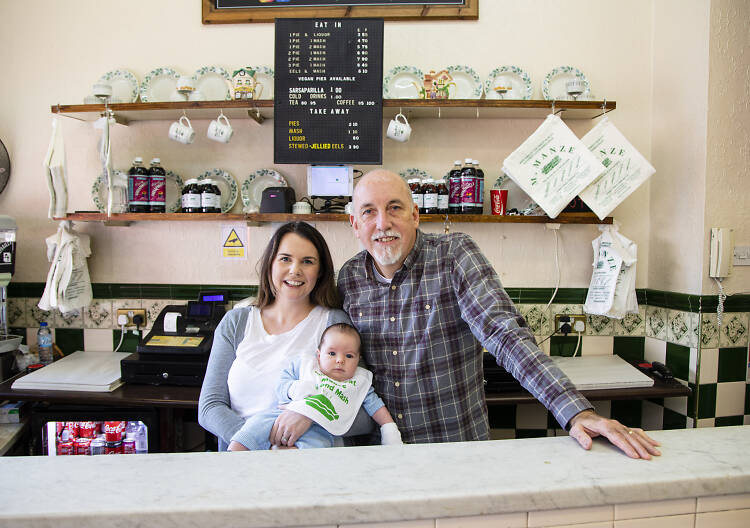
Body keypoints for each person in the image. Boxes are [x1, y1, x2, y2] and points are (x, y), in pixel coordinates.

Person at [337, 169, 661, 460]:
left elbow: (505, 334)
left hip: (456, 451)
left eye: (395, 208)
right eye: (369, 212)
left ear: (416, 215)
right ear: (355, 224)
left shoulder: (454, 256)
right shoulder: (348, 278)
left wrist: (576, 413)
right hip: (378, 456)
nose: (382, 223)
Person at [198, 221, 373, 450]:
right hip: (242, 464)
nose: (295, 270)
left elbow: (365, 414)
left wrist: (311, 415)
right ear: (270, 263)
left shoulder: (334, 324)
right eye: (285, 259)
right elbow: (210, 407)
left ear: (320, 271)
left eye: (307, 261)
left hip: (310, 466)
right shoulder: (236, 322)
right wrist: (258, 443)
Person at [227, 323, 403, 451]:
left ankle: (285, 456)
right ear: (319, 355)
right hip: (284, 415)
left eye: (349, 356)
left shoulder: (358, 381)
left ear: (358, 360)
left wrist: (389, 429)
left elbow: (376, 406)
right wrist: (295, 388)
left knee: (319, 448)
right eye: (332, 353)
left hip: (322, 428)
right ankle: (236, 450)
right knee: (257, 424)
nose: (340, 360)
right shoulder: (306, 365)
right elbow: (281, 385)